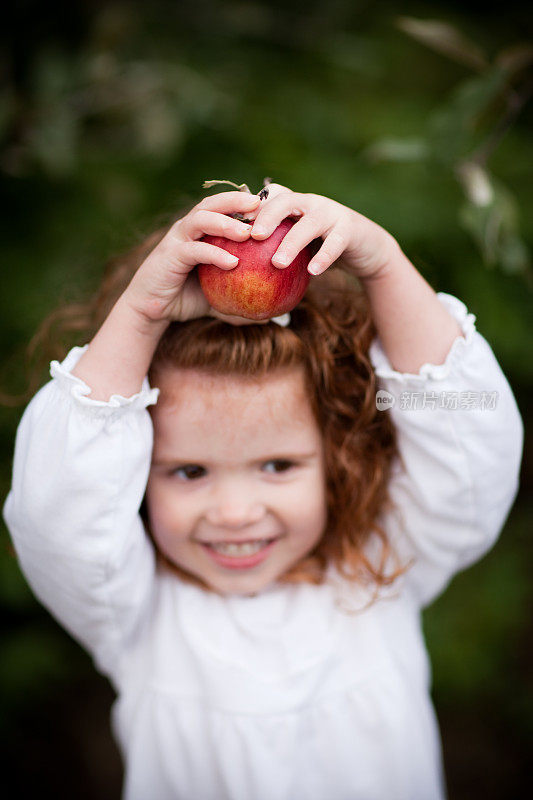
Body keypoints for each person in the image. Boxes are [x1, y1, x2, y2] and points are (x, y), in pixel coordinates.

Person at [3, 183, 523, 800]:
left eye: (277, 465)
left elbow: (472, 436)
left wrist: (380, 262)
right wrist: (141, 315)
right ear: (133, 469)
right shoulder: (134, 614)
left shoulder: (381, 567)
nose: (235, 513)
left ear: (341, 459)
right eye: (189, 472)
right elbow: (57, 513)